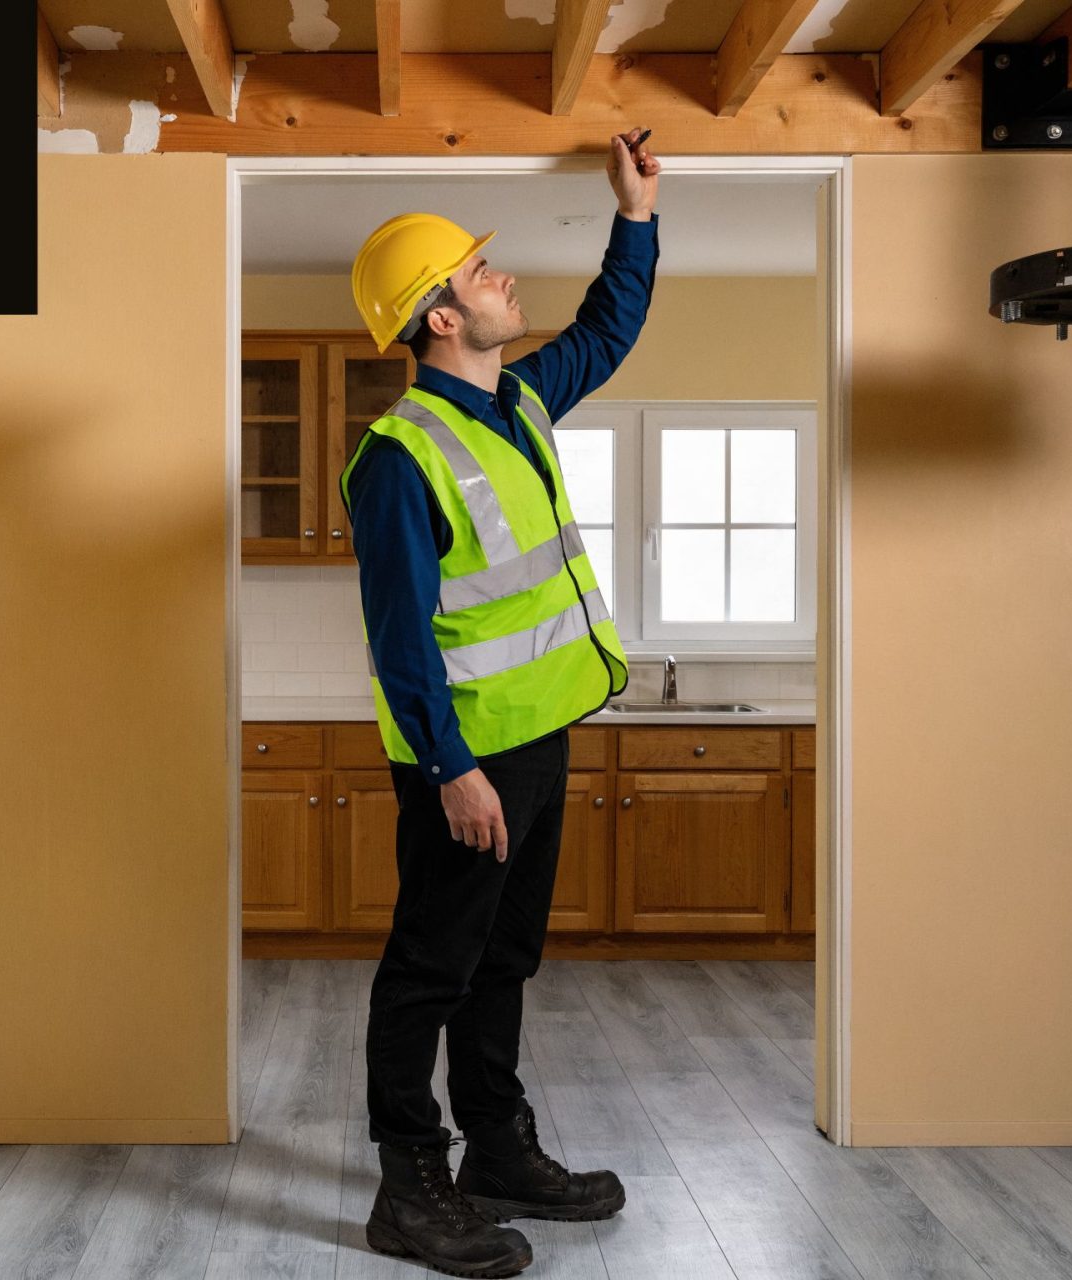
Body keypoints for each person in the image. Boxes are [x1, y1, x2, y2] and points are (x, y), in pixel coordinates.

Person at [338, 127, 659, 1277]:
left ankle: (496, 1145)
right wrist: (449, 767)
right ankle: (407, 1183)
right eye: (478, 271)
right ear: (437, 316)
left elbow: (609, 330)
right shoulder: (396, 455)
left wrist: (636, 214)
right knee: (430, 963)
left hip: (538, 734)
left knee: (502, 955)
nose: (501, 277)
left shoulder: (517, 402)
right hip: (468, 759)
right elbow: (398, 641)